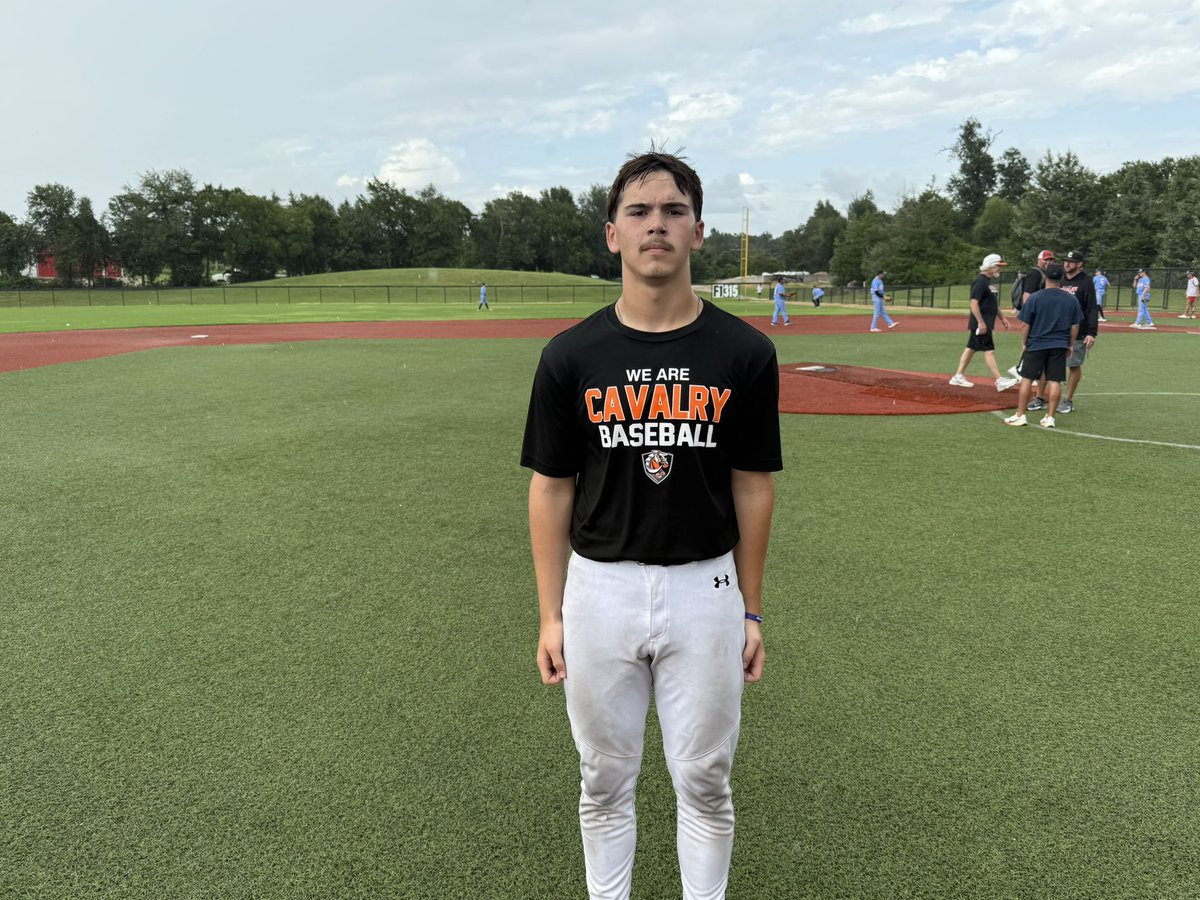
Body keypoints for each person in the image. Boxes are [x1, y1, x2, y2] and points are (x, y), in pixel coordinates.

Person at [521, 150, 782, 900]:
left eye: (673, 211)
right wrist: (550, 613)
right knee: (602, 781)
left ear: (699, 231)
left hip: (706, 587)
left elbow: (753, 484)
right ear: (612, 235)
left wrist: (751, 607)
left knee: (706, 782)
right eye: (638, 212)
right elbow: (551, 488)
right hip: (598, 588)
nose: (656, 225)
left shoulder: (744, 352)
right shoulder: (571, 355)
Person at [1005, 261, 1082, 428]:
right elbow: (1075, 325)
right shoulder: (1071, 299)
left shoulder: (1035, 297)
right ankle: (1050, 417)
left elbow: (1025, 324)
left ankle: (1021, 414)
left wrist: (1024, 343)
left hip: (1037, 343)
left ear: (1045, 276)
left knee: (1027, 379)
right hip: (1059, 344)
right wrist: (1069, 344)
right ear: (1062, 278)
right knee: (1055, 380)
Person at [949, 253, 1020, 392]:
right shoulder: (980, 281)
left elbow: (993, 304)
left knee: (971, 348)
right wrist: (981, 323)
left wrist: (1003, 318)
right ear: (990, 266)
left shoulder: (988, 282)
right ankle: (999, 380)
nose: (1000, 269)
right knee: (989, 351)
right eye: (998, 266)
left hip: (985, 323)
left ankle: (958, 376)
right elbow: (973, 303)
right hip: (981, 325)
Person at [1053, 249, 1099, 415]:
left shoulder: (1086, 282)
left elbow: (1092, 307)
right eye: (1065, 261)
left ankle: (1068, 400)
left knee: (1073, 364)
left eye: (1071, 262)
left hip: (1078, 330)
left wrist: (1091, 333)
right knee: (1051, 362)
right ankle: (1042, 398)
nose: (1067, 264)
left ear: (1080, 265)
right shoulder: (1061, 279)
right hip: (1057, 329)